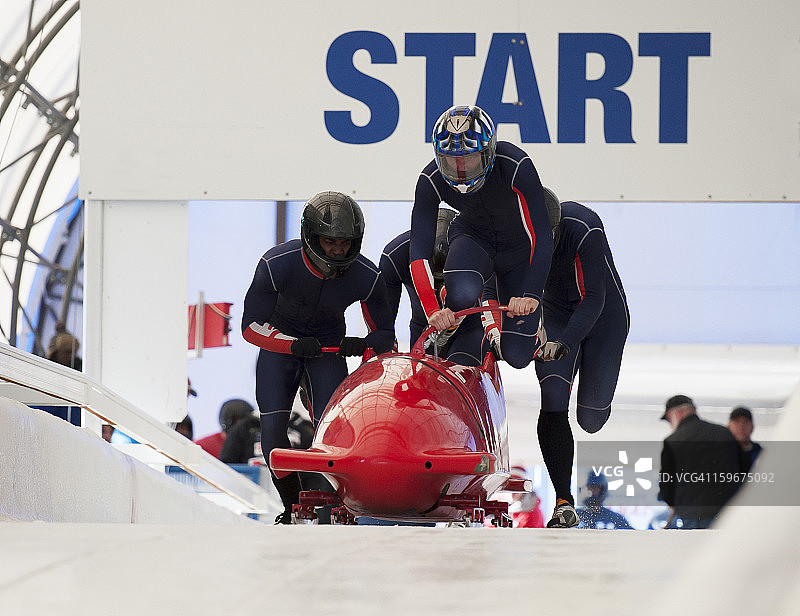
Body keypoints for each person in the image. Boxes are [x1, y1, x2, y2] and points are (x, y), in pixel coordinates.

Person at [241, 191, 394, 524]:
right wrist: (291, 344)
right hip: (281, 349)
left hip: (327, 349)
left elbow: (385, 339)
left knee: (334, 431)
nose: (338, 250)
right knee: (273, 435)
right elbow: (251, 327)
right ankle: (292, 505)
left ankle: (339, 501)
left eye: (345, 243)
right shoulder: (276, 264)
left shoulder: (367, 276)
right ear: (312, 236)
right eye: (329, 242)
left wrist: (364, 346)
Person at [408, 105, 551, 370]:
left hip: (517, 252)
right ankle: (452, 300)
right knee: (463, 292)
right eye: (451, 159)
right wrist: (432, 309)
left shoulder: (516, 165)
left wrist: (531, 294)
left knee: (517, 357)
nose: (461, 169)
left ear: (488, 153)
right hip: (474, 239)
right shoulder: (429, 179)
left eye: (470, 158)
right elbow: (418, 253)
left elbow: (541, 236)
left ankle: (518, 331)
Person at [532, 189, 630, 528]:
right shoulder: (509, 232)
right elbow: (493, 282)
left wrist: (567, 342)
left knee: (590, 420)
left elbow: (593, 299)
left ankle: (589, 378)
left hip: (604, 318)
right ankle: (563, 501)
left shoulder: (584, 228)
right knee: (553, 399)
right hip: (557, 315)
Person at [379, 206, 489, 365]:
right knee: (423, 381)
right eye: (434, 275)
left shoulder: (477, 252)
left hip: (469, 330)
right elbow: (384, 319)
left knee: (460, 367)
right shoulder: (396, 255)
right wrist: (385, 347)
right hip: (423, 329)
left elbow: (492, 294)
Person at [658, 394, 747, 529]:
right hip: (727, 513)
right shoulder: (724, 433)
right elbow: (744, 469)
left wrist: (674, 503)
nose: (671, 424)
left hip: (692, 515)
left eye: (669, 419)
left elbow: (666, 482)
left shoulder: (673, 441)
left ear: (677, 413)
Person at [728, 406, 762, 471]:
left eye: (745, 422)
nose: (741, 426)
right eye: (736, 422)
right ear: (729, 426)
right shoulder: (721, 453)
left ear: (752, 427)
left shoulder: (761, 454)